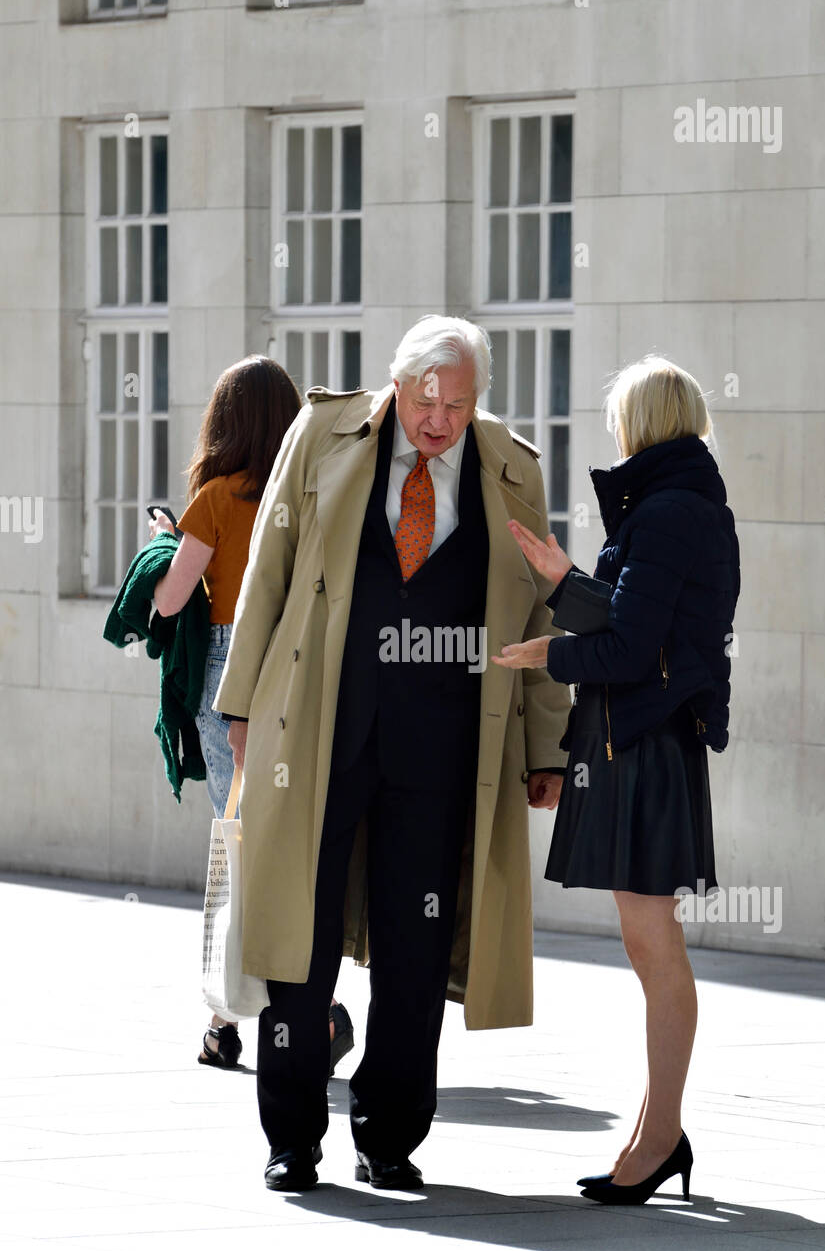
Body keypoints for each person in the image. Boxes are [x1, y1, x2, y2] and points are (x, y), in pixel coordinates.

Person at [213, 315, 572, 1192]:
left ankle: (391, 1136)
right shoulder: (323, 433)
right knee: (300, 935)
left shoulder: (511, 468)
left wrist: (545, 744)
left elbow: (535, 615)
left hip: (444, 742)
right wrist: (241, 706)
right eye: (426, 399)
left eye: (459, 402)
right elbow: (270, 568)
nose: (439, 420)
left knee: (419, 941)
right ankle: (291, 1136)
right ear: (397, 384)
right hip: (322, 727)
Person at [493, 355, 740, 1205]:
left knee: (651, 943)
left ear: (642, 420)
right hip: (636, 743)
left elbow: (634, 653)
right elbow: (640, 624)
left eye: (619, 415)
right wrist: (567, 585)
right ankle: (654, 1131)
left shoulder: (669, 512)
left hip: (646, 748)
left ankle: (660, 1133)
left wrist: (545, 652)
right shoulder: (674, 505)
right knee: (648, 944)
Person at [147, 354, 354, 1076]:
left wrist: (167, 545)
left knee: (237, 840)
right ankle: (298, 1005)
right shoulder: (316, 487)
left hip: (231, 670)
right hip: (302, 668)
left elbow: (170, 601)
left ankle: (236, 1020)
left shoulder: (216, 498)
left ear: (224, 422)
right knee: (289, 844)